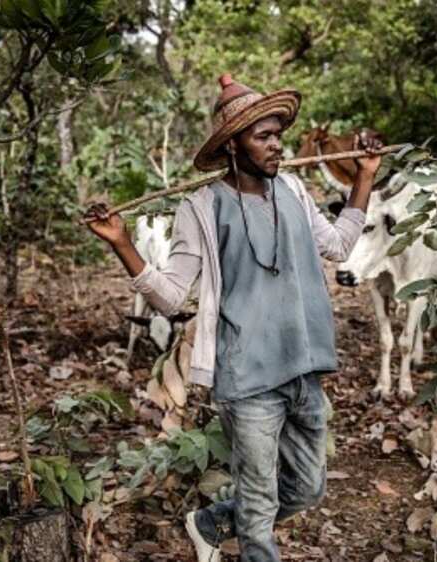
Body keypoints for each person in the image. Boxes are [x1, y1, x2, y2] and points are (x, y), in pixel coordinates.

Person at [85, 74, 383, 562]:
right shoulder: (201, 209)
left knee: (307, 489)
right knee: (261, 504)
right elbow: (170, 295)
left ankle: (209, 522)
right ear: (232, 146)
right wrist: (122, 245)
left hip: (304, 368)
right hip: (247, 379)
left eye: (278, 135)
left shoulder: (292, 189)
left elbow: (339, 245)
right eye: (262, 137)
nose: (277, 146)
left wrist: (365, 175)